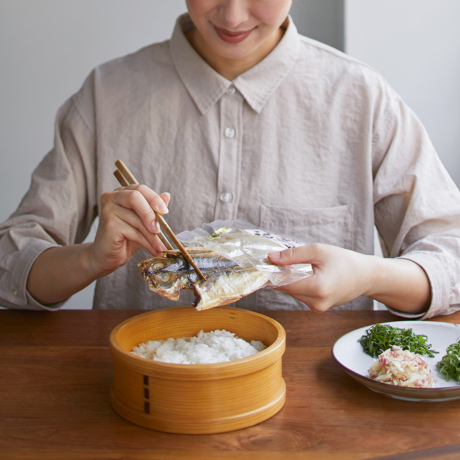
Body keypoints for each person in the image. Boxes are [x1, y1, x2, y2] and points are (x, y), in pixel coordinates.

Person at [1, 0, 459, 319]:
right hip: (143, 394)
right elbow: (10, 264)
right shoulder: (107, 95)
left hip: (316, 407)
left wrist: (369, 275)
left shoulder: (362, 97)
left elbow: (451, 256)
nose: (234, 15)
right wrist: (90, 260)